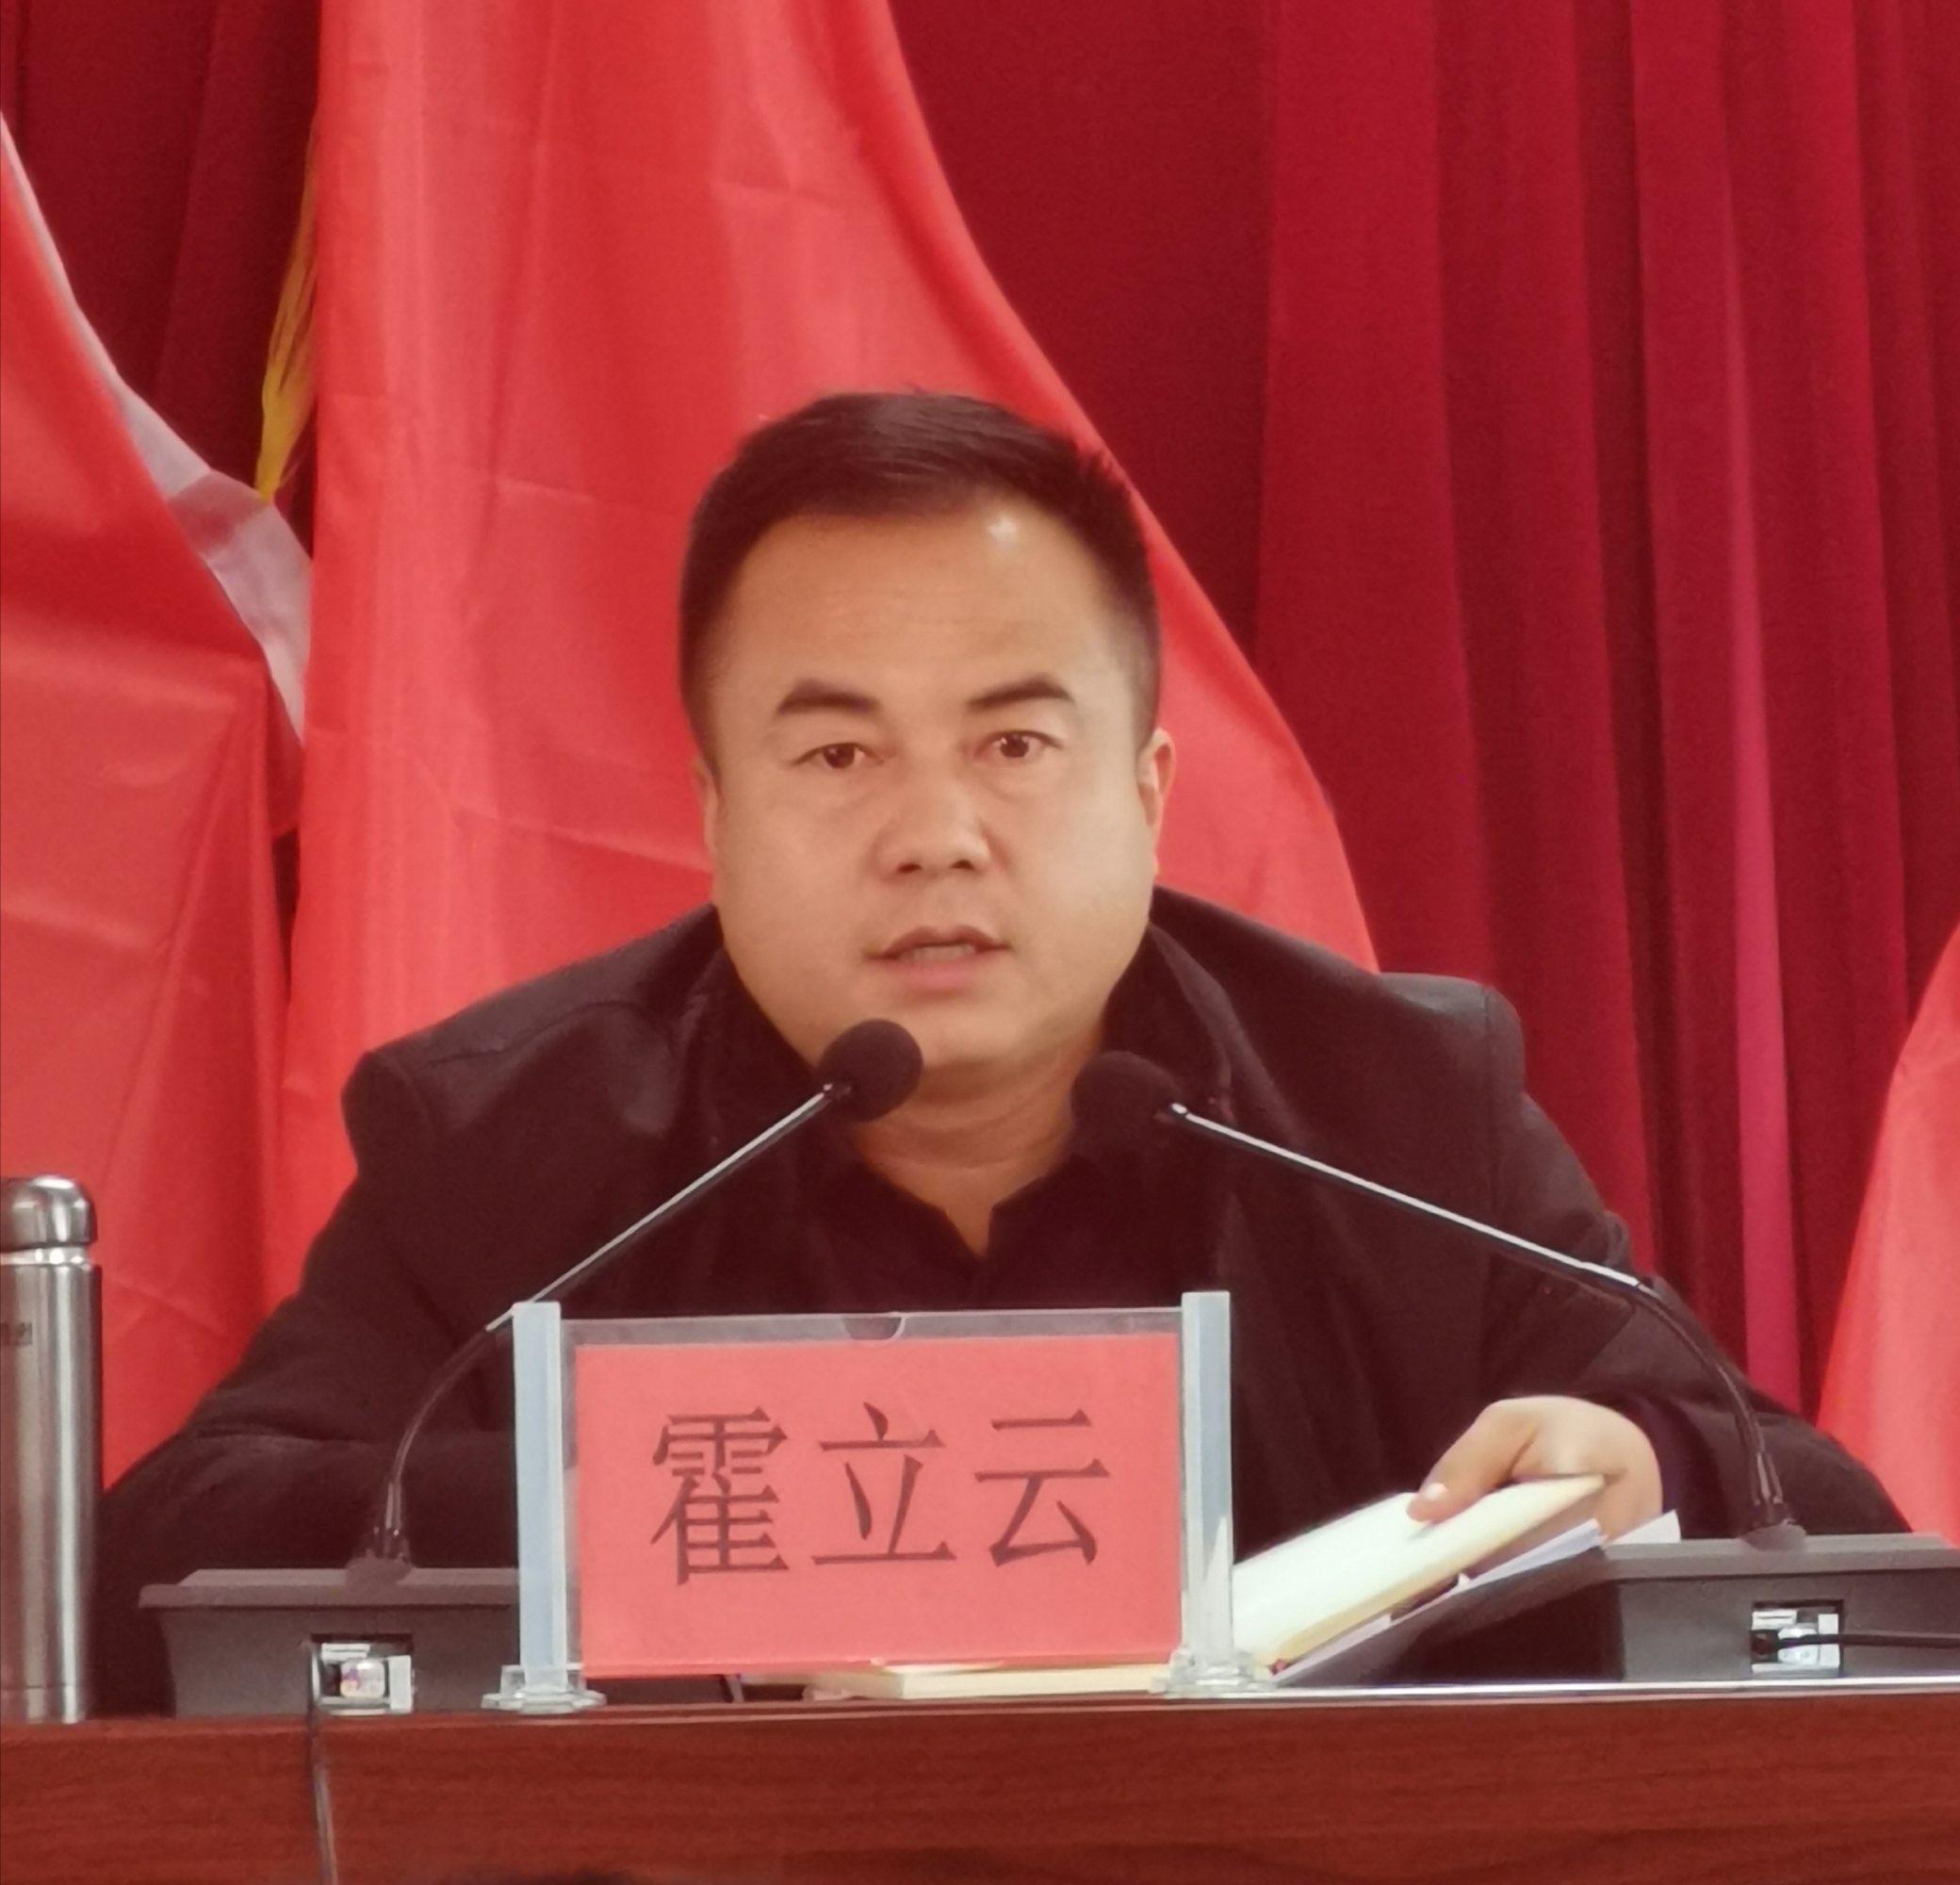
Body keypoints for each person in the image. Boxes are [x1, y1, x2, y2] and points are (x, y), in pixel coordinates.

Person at [97, 392, 1901, 1711]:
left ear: (1149, 792)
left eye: (1015, 747)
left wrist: (1646, 1466)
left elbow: (1832, 1532)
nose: (936, 836)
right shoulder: (513, 1140)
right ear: (714, 813)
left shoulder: (1396, 1116)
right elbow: (172, 1556)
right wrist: (668, 1512)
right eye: (837, 756)